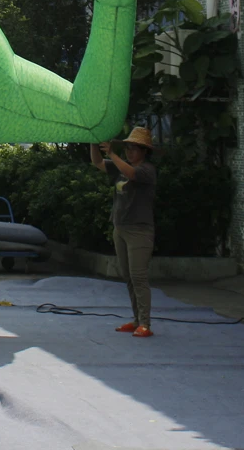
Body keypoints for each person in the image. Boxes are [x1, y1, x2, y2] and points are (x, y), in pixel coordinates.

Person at [90, 126, 157, 338]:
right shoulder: (121, 166)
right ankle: (137, 319)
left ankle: (145, 322)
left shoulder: (147, 170)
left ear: (144, 151)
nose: (129, 152)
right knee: (128, 276)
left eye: (134, 149)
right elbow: (97, 163)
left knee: (138, 276)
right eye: (127, 148)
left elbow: (132, 173)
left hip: (140, 230)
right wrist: (93, 142)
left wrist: (111, 152)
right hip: (120, 228)